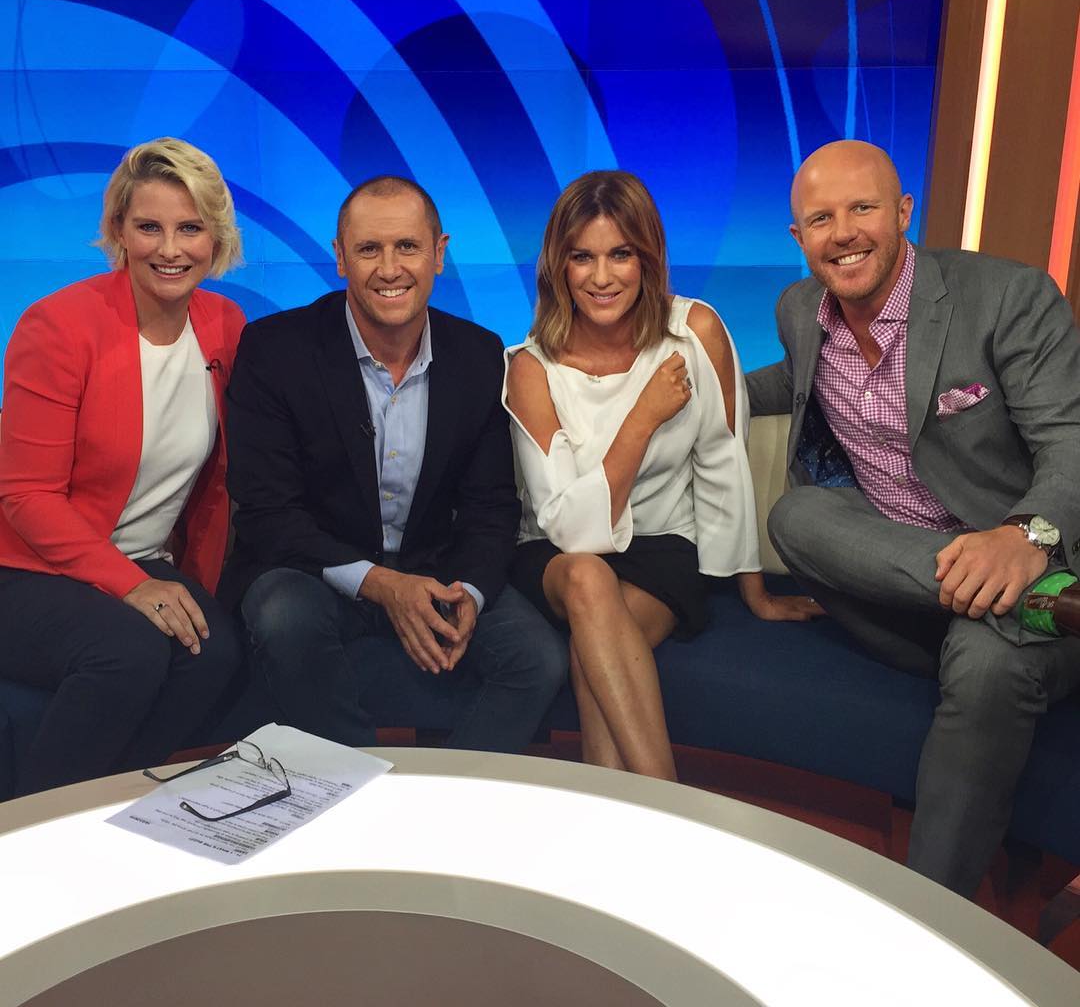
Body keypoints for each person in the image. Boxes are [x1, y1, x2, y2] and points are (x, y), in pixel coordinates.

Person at [746, 139, 1080, 896]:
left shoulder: (1008, 296)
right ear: (799, 237)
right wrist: (670, 380)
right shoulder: (800, 310)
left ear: (903, 212)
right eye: (820, 219)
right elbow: (788, 380)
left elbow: (1070, 440)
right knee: (798, 515)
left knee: (988, 664)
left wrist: (1023, 537)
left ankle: (928, 918)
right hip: (907, 583)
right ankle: (1023, 606)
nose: (843, 233)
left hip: (1030, 556)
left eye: (862, 208)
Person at [223, 176, 567, 752]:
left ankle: (448, 797)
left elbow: (490, 507)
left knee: (537, 659)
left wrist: (470, 593)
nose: (389, 269)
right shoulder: (275, 350)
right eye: (368, 249)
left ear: (439, 253)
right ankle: (353, 787)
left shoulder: (479, 355)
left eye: (407, 246)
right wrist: (382, 585)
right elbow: (266, 513)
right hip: (314, 571)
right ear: (340, 258)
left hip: (434, 567)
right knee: (282, 616)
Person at [504, 170, 821, 782]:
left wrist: (754, 593)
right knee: (589, 577)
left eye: (621, 254)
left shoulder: (695, 331)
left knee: (594, 654)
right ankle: (671, 799)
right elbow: (571, 530)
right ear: (558, 266)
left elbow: (723, 462)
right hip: (557, 556)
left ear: (648, 257)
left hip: (662, 547)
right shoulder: (530, 368)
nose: (602, 277)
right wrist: (642, 419)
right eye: (582, 257)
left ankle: (622, 813)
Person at [0, 137, 246, 793]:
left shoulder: (225, 324)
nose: (170, 249)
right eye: (149, 228)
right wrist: (132, 585)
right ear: (118, 231)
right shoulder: (58, 327)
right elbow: (25, 495)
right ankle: (37, 824)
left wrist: (185, 584)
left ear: (216, 238)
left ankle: (114, 803)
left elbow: (215, 487)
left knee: (213, 650)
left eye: (190, 228)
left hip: (139, 560)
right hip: (26, 567)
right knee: (127, 652)